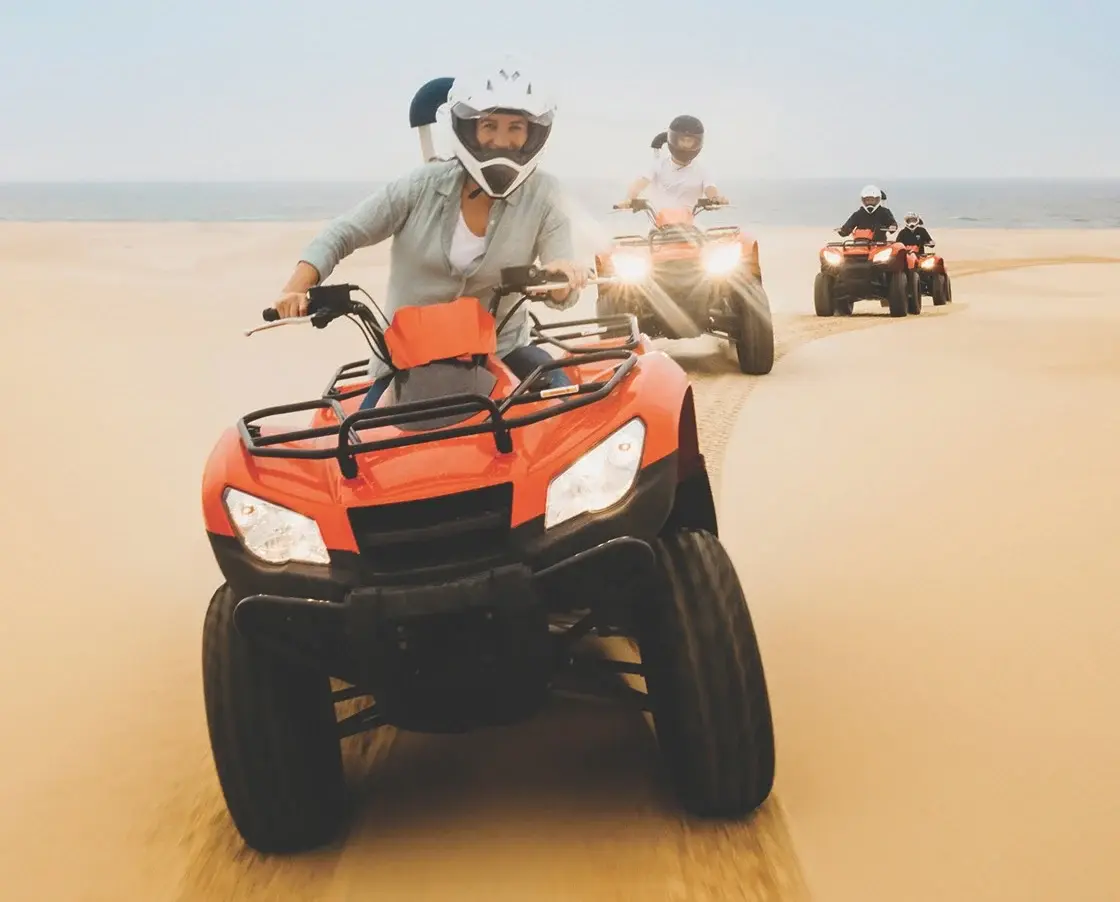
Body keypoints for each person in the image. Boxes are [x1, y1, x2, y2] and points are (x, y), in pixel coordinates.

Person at [270, 59, 590, 409]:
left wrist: (562, 279)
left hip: (503, 349)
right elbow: (344, 232)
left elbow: (561, 276)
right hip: (409, 359)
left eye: (516, 127)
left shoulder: (545, 195)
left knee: (564, 404)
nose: (502, 140)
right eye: (488, 125)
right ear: (466, 128)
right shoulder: (420, 186)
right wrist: (296, 287)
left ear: (534, 133)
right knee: (366, 443)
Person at [617, 115, 728, 212]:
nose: (685, 145)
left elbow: (710, 188)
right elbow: (640, 183)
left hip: (688, 225)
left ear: (697, 142)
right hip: (658, 226)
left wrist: (716, 199)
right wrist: (629, 199)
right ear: (673, 140)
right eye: (682, 140)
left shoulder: (702, 171)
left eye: (689, 141)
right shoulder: (658, 165)